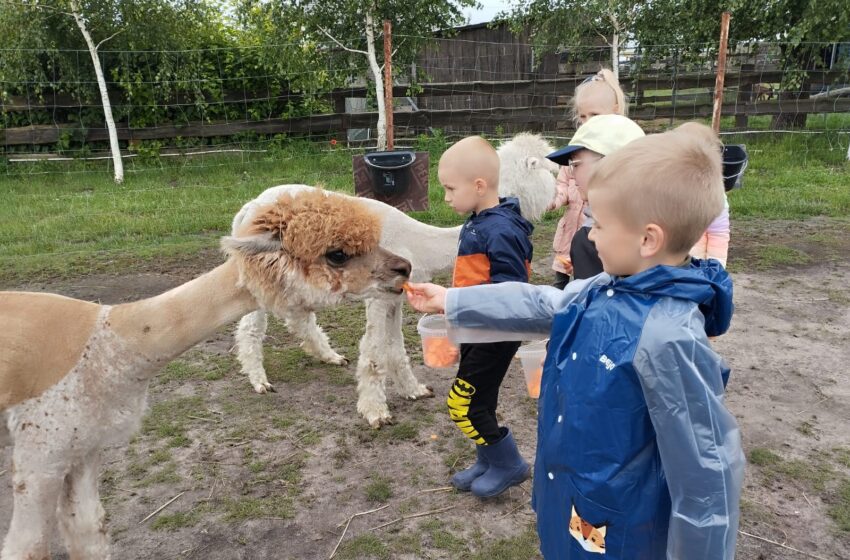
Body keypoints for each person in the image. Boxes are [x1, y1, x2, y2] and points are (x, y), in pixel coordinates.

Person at [407, 123, 745, 559]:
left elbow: (705, 474)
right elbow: (538, 303)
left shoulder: (669, 337)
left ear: (648, 239)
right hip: (577, 499)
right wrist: (452, 301)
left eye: (600, 224)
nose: (589, 235)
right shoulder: (601, 287)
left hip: (624, 523)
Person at [437, 135, 534, 498]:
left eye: (450, 188)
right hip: (476, 328)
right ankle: (489, 460)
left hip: (495, 332)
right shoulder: (481, 221)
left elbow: (510, 292)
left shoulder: (501, 229)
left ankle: (509, 464)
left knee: (461, 405)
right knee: (481, 401)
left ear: (479, 186)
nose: (446, 197)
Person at [549, 69, 627, 289]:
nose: (587, 122)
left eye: (594, 115)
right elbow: (564, 181)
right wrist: (555, 198)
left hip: (602, 235)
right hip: (579, 229)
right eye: (583, 116)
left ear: (615, 111)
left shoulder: (623, 150)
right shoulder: (579, 147)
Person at [546, 114, 644, 280]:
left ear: (608, 165)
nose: (571, 172)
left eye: (575, 164)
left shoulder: (590, 239)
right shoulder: (663, 227)